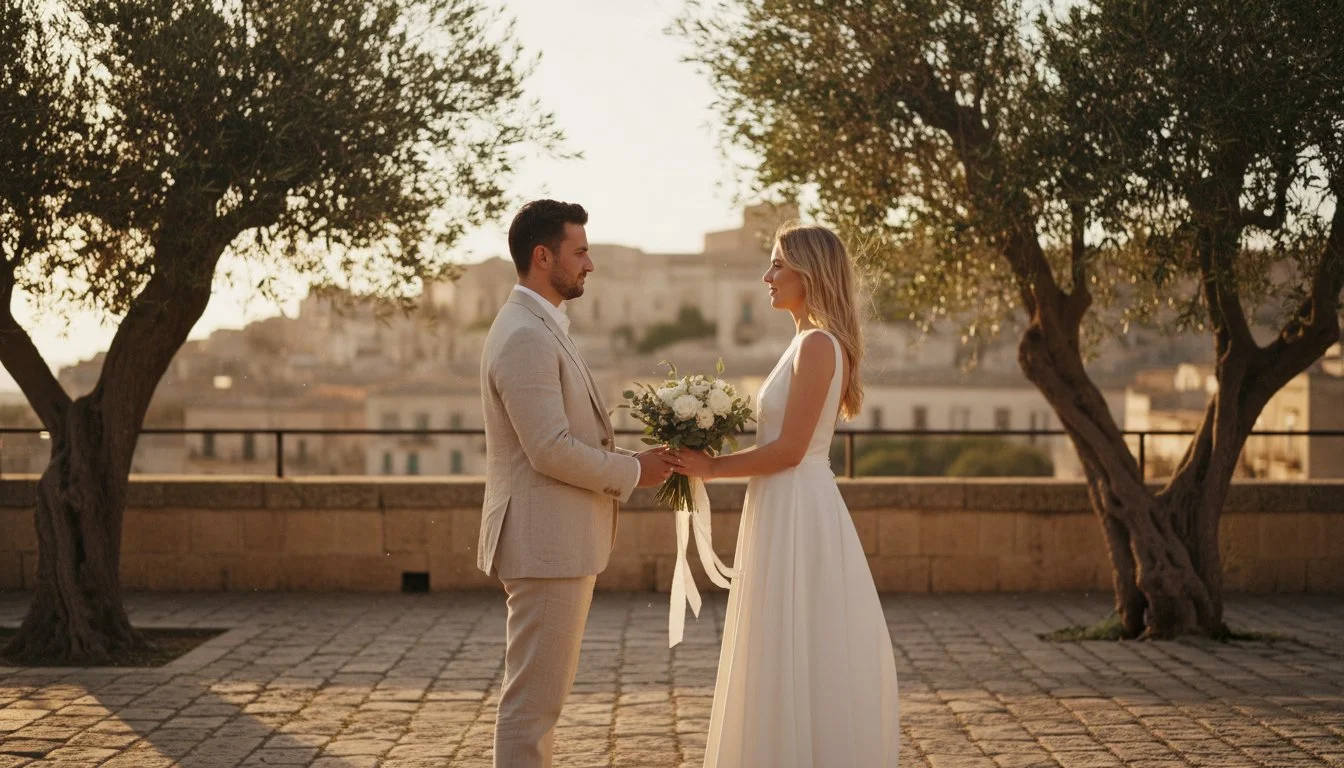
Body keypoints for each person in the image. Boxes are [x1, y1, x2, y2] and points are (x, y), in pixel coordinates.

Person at [675, 223, 900, 767]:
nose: (766, 276)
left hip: (798, 503)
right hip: (784, 502)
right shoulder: (806, 342)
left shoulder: (818, 344)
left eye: (778, 264)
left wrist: (712, 467)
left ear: (810, 273)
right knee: (783, 637)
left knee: (798, 635)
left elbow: (791, 450)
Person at [478, 199, 682, 768]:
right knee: (532, 707)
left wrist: (634, 459)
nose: (590, 264)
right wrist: (633, 472)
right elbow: (548, 449)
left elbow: (564, 437)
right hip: (545, 545)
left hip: (554, 541)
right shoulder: (525, 335)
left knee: (539, 702)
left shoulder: (539, 325)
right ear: (544, 257)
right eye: (581, 252)